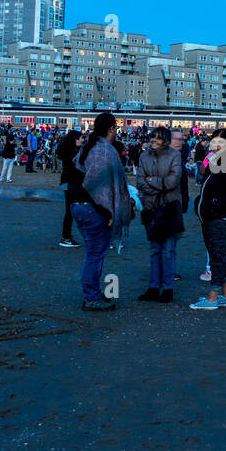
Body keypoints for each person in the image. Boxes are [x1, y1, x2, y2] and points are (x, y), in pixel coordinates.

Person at [72, 113, 132, 310]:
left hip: (80, 207)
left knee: (94, 253)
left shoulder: (90, 148)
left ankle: (94, 294)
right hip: (93, 209)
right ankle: (91, 297)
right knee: (95, 254)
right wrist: (108, 213)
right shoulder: (103, 151)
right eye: (115, 127)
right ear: (111, 128)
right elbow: (95, 186)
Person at [191, 132, 226, 309]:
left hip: (219, 218)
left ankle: (212, 298)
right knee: (220, 256)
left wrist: (214, 207)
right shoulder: (219, 162)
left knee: (217, 257)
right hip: (215, 216)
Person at [135, 126, 183, 303]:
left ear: (166, 140)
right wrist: (156, 186)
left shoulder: (174, 155)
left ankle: (168, 288)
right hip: (151, 209)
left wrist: (151, 181)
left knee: (168, 251)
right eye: (152, 137)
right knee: (155, 250)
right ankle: (153, 287)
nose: (154, 140)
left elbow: (173, 181)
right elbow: (139, 181)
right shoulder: (143, 155)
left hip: (169, 208)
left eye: (158, 138)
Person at [58, 130, 83, 247]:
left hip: (68, 182)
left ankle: (67, 236)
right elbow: (74, 169)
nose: (82, 140)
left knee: (71, 211)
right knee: (70, 211)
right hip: (69, 182)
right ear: (75, 140)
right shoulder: (71, 152)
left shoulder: (72, 151)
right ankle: (65, 237)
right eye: (81, 138)